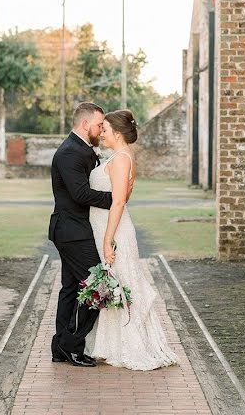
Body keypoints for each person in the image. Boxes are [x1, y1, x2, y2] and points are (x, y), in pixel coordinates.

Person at [85, 109, 178, 370]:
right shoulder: (119, 156)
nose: (101, 133)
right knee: (117, 283)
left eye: (104, 129)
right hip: (107, 226)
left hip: (114, 229)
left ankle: (130, 346)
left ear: (116, 132)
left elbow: (118, 202)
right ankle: (112, 343)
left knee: (122, 283)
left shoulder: (122, 159)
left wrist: (108, 239)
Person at [49, 102, 113, 367]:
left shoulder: (81, 149)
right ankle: (72, 346)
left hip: (75, 230)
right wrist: (116, 199)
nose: (101, 129)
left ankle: (60, 347)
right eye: (99, 124)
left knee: (70, 289)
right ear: (85, 124)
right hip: (72, 231)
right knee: (96, 286)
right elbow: (80, 194)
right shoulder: (69, 153)